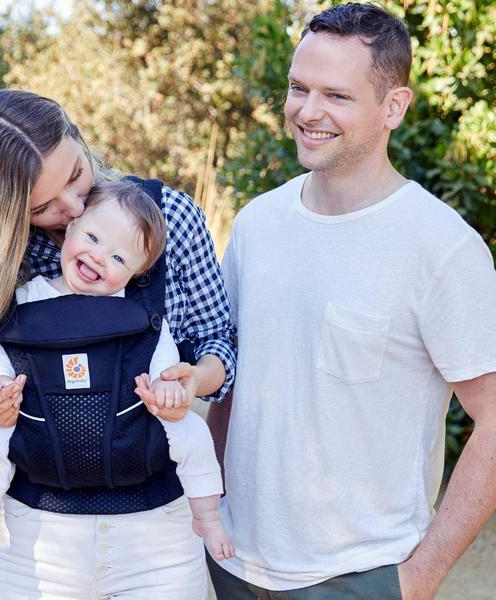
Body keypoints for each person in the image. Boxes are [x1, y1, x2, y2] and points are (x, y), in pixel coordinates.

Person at [207, 3, 496, 599]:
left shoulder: (441, 248)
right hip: (232, 565)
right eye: (298, 88)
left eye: (336, 95)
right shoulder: (258, 224)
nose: (307, 112)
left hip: (360, 578)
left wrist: (420, 577)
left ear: (394, 107)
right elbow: (231, 377)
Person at [0, 89, 236, 599]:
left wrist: (194, 380)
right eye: (42, 206)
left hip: (159, 541)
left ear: (78, 137)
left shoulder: (167, 218)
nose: (73, 207)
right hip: (32, 542)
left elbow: (218, 342)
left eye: (75, 175)